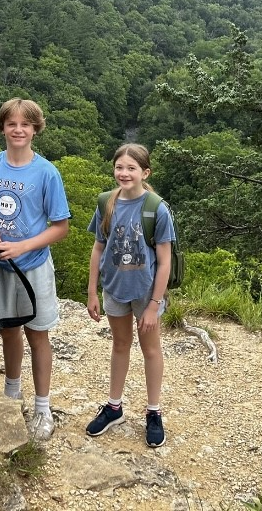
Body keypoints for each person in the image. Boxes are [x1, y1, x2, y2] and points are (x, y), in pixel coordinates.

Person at [0, 98, 71, 441]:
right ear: (2, 128)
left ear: (35, 130)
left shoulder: (46, 172)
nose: (18, 130)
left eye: (25, 125)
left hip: (33, 266)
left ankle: (43, 407)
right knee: (9, 331)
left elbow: (61, 226)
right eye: (11, 124)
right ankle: (12, 392)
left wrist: (23, 246)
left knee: (38, 334)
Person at [85, 143, 175, 447]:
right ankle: (114, 407)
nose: (123, 173)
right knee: (120, 345)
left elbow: (165, 261)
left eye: (131, 168)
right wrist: (92, 291)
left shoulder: (156, 208)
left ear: (144, 172)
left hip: (145, 291)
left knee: (151, 349)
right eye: (119, 167)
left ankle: (153, 411)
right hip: (114, 289)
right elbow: (99, 248)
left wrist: (154, 305)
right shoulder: (106, 203)